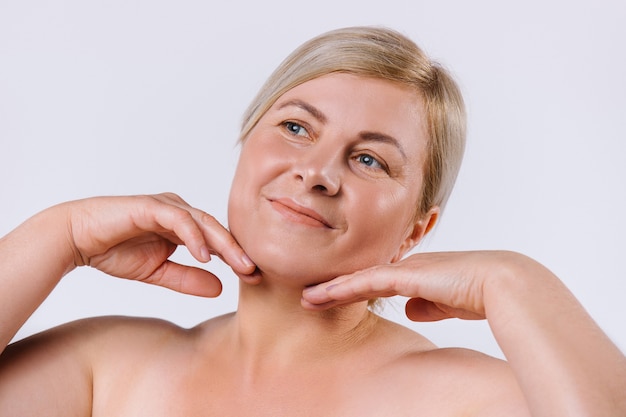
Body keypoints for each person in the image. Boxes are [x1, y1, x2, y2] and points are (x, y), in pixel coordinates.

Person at [0, 26, 624, 416]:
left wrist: (519, 283)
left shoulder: (464, 399)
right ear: (246, 146)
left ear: (417, 230)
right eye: (295, 127)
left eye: (370, 159)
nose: (318, 172)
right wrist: (61, 235)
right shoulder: (105, 366)